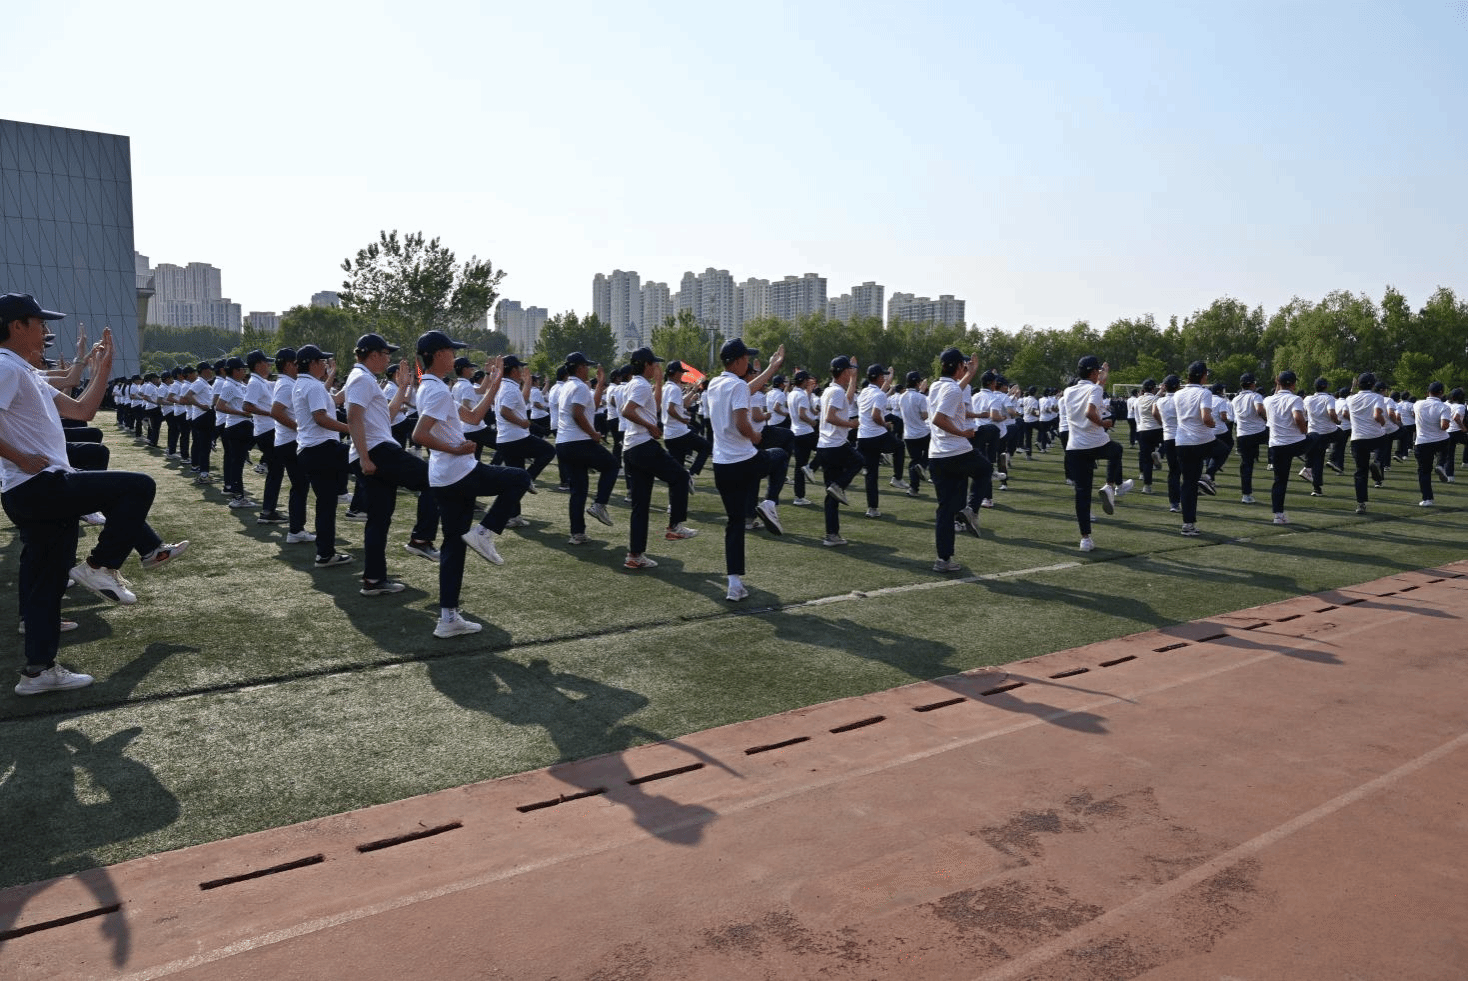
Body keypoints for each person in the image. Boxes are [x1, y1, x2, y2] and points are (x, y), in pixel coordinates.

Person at [0, 294, 188, 694]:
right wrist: (20, 457)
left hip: (37, 488)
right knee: (138, 486)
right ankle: (101, 565)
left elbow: (83, 410)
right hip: (38, 486)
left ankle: (37, 672)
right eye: (39, 323)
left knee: (46, 583)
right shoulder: (4, 367)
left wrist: (103, 369)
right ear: (17, 326)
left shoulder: (24, 370)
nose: (45, 331)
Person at [412, 332, 532, 637]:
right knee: (519, 477)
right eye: (451, 351)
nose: (455, 357)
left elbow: (475, 417)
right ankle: (485, 532)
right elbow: (419, 435)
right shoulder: (437, 391)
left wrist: (494, 384)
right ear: (439, 354)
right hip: (458, 471)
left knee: (454, 545)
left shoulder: (432, 387)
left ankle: (448, 618)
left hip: (444, 477)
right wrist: (455, 449)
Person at [345, 333, 444, 595]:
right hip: (377, 450)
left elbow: (384, 417)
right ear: (374, 355)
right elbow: (353, 417)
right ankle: (421, 539)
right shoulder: (361, 378)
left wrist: (401, 389)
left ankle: (374, 580)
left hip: (373, 450)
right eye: (386, 354)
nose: (389, 359)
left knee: (379, 520)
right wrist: (365, 457)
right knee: (434, 478)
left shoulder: (364, 378)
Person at [705, 338, 788, 601]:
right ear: (739, 361)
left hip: (721, 466)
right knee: (780, 455)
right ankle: (770, 503)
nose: (748, 364)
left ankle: (734, 584)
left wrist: (772, 368)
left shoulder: (715, 384)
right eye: (746, 359)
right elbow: (742, 422)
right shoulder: (737, 385)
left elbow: (746, 389)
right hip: (744, 461)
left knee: (735, 523)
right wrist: (755, 436)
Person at [618, 346, 699, 569]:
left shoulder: (634, 384)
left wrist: (659, 382)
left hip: (632, 448)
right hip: (643, 445)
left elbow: (651, 407)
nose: (656, 367)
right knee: (681, 477)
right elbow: (627, 411)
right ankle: (675, 527)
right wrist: (651, 426)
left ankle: (635, 555)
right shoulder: (641, 385)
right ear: (646, 365)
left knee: (640, 506)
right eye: (654, 363)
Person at [1060, 355, 1133, 551]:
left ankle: (1085, 538)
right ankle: (1110, 485)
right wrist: (1103, 423)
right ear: (1093, 372)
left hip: (1075, 446)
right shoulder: (1095, 389)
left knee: (1082, 493)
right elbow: (1090, 412)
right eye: (1098, 371)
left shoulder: (1068, 391)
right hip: (1095, 441)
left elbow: (1094, 388)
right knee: (1116, 450)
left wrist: (1104, 376)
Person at [292, 344, 354, 567]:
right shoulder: (313, 386)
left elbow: (331, 401)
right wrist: (351, 429)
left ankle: (325, 554)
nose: (325, 366)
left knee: (326, 504)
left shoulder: (302, 384)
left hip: (309, 451)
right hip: (322, 448)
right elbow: (320, 417)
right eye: (323, 362)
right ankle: (359, 507)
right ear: (313, 363)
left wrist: (345, 383)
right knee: (368, 459)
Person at [927, 348, 988, 571]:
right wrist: (962, 433)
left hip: (937, 455)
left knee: (946, 509)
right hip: (956, 451)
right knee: (985, 469)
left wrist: (970, 374)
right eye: (964, 365)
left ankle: (943, 559)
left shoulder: (936, 386)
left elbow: (954, 392)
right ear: (959, 366)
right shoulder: (952, 389)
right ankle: (971, 510)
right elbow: (938, 419)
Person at [554, 352, 619, 544]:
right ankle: (600, 504)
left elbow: (592, 406)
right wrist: (593, 433)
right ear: (580, 368)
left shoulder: (568, 386)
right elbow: (577, 413)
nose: (588, 369)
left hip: (564, 443)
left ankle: (577, 533)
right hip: (578, 441)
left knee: (579, 490)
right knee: (612, 465)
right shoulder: (580, 387)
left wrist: (599, 384)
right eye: (586, 366)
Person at [491, 354, 554, 525]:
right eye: (519, 368)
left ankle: (513, 516)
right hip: (515, 438)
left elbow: (522, 400)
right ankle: (528, 479)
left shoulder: (505, 386)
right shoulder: (509, 388)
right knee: (548, 451)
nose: (521, 371)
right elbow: (505, 411)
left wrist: (527, 382)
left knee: (515, 481)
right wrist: (523, 422)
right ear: (513, 371)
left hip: (507, 439)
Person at [814, 355, 865, 547]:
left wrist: (853, 379)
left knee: (831, 495)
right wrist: (851, 424)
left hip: (825, 445)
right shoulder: (835, 392)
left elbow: (847, 400)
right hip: (835, 444)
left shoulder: (831, 390)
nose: (851, 372)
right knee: (859, 461)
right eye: (850, 370)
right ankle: (839, 485)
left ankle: (832, 535)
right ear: (844, 371)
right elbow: (830, 417)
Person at [1263, 370, 1311, 524]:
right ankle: (1308, 468)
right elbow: (1298, 417)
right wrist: (1304, 430)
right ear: (1293, 384)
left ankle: (1278, 515)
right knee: (1317, 438)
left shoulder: (1268, 400)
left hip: (1276, 445)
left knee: (1280, 481)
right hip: (1294, 442)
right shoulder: (1295, 399)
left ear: (1278, 383)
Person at [1174, 361, 1216, 536]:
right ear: (1203, 376)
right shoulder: (1204, 392)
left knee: (1188, 484)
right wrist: (1212, 423)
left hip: (1182, 441)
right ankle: (1208, 476)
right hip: (1200, 440)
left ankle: (1188, 525)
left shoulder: (1178, 393)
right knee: (1224, 448)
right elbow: (1206, 418)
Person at [1346, 372, 1390, 515]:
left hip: (1357, 438)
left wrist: (1352, 388)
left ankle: (1361, 503)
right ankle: (1377, 463)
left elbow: (1347, 405)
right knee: (1385, 441)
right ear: (1373, 385)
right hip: (1375, 436)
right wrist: (1383, 423)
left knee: (1360, 471)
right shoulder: (1377, 397)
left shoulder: (1350, 399)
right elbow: (1377, 415)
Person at [662, 360, 710, 490]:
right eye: (681, 372)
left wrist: (694, 389)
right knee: (706, 447)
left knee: (677, 470)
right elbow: (671, 409)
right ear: (675, 373)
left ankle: (675, 497)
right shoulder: (674, 388)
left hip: (669, 434)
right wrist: (682, 419)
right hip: (679, 432)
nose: (683, 375)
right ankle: (691, 473)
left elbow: (681, 404)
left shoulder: (666, 387)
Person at [1413, 381, 1452, 506]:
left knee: (1424, 471)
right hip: (1440, 440)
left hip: (1422, 441)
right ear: (1441, 393)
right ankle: (1440, 464)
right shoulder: (1444, 407)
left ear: (1428, 392)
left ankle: (1427, 499)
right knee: (1446, 443)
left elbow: (1414, 415)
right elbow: (1444, 426)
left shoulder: (1418, 404)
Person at [1302, 377, 1339, 497]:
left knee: (1316, 458)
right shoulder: (1329, 398)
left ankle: (1315, 486)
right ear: (1326, 387)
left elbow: (1304, 414)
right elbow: (1331, 413)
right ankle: (1334, 460)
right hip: (1326, 432)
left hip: (1313, 432)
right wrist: (1338, 421)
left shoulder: (1308, 399)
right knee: (1342, 436)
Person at [898, 370, 930, 498]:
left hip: (908, 434)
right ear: (917, 383)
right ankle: (923, 466)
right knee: (930, 452)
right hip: (922, 432)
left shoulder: (902, 397)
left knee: (914, 461)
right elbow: (924, 416)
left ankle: (913, 488)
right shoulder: (921, 397)